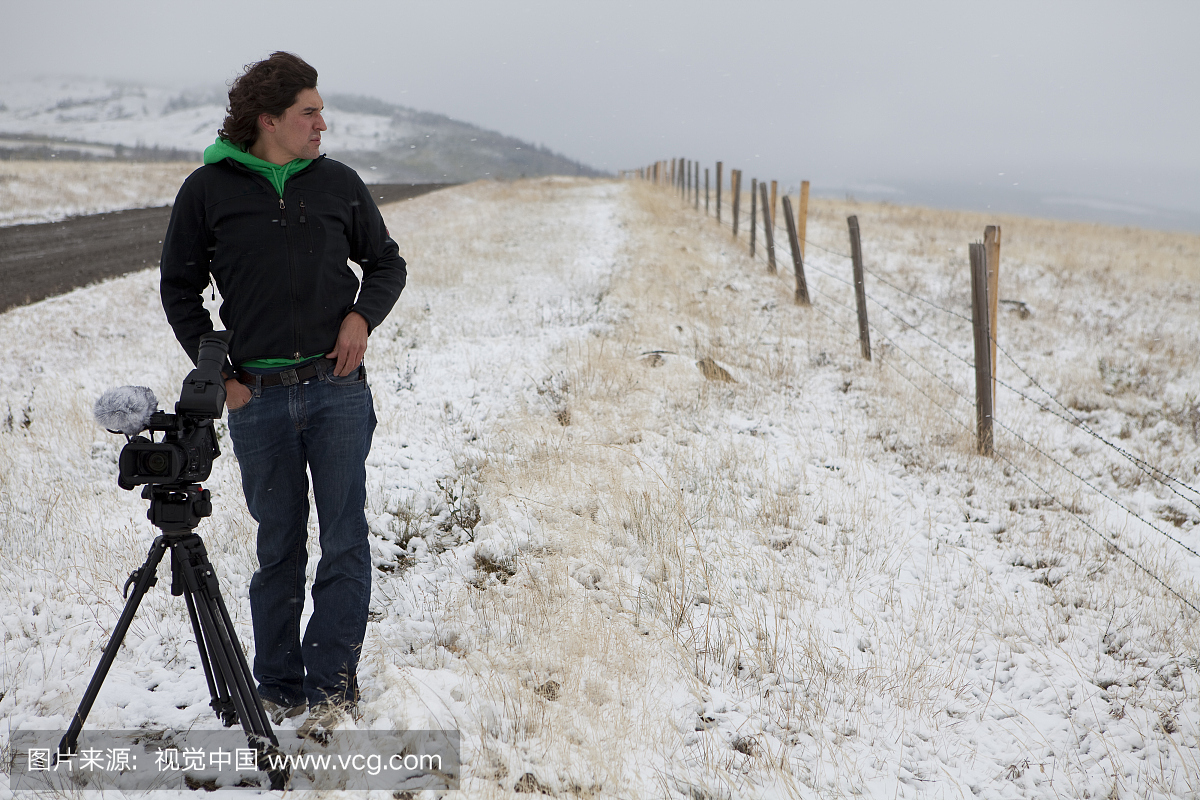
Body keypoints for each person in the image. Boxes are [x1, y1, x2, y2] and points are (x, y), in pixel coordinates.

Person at [159, 51, 406, 740]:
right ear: (270, 120)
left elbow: (386, 262)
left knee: (346, 539)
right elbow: (179, 290)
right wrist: (224, 379)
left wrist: (361, 316)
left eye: (321, 111)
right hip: (258, 401)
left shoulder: (338, 185)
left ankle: (331, 686)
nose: (322, 123)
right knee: (279, 548)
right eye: (310, 112)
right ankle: (277, 686)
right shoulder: (208, 191)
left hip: (337, 391)